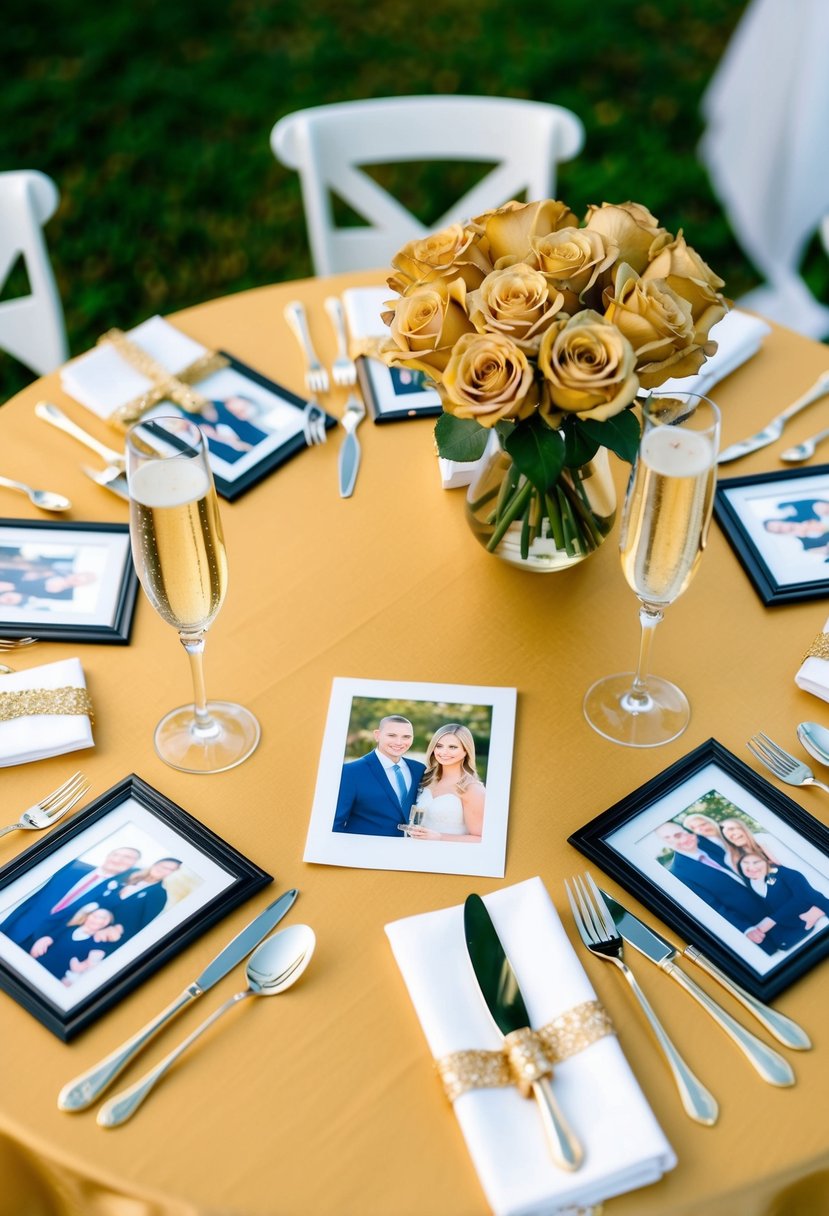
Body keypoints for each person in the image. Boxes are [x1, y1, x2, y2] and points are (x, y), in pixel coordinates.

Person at [0, 846, 141, 951]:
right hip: (17, 924)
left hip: (47, 942)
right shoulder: (72, 866)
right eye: (116, 854)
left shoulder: (116, 894)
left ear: (133, 865)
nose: (119, 859)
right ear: (108, 855)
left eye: (127, 858)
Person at [654, 821, 765, 931]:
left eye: (680, 833)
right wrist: (746, 929)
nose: (681, 839)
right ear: (665, 843)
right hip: (753, 922)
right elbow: (712, 906)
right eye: (669, 838)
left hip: (769, 898)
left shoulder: (704, 841)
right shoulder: (678, 873)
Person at [333, 715, 425, 836]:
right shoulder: (350, 772)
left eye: (406, 737)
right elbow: (336, 823)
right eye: (392, 735)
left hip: (406, 849)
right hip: (363, 850)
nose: (399, 742)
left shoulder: (419, 769)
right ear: (377, 735)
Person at [406, 724, 485, 843]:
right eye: (439, 746)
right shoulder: (426, 780)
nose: (444, 752)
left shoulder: (472, 788)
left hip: (449, 856)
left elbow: (481, 839)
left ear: (465, 751)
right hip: (416, 851)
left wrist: (439, 837)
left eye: (452, 747)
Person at [739, 852, 828, 953]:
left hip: (812, 911)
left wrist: (772, 920)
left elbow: (806, 895)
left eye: (756, 862)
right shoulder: (751, 883)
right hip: (789, 924)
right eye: (745, 863)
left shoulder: (784, 873)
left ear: (767, 861)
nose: (751, 867)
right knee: (781, 942)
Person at [96, 857, 183, 941]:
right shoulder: (131, 874)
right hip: (90, 921)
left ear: (173, 873)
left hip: (109, 936)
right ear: (155, 864)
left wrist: (117, 929)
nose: (162, 869)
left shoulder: (159, 894)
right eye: (161, 865)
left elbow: (142, 923)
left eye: (169, 869)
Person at [29, 905, 120, 983]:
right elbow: (49, 938)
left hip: (53, 978)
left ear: (106, 923)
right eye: (94, 915)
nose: (95, 919)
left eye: (101, 917)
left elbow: (88, 968)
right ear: (87, 916)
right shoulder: (70, 927)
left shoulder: (99, 944)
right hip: (35, 965)